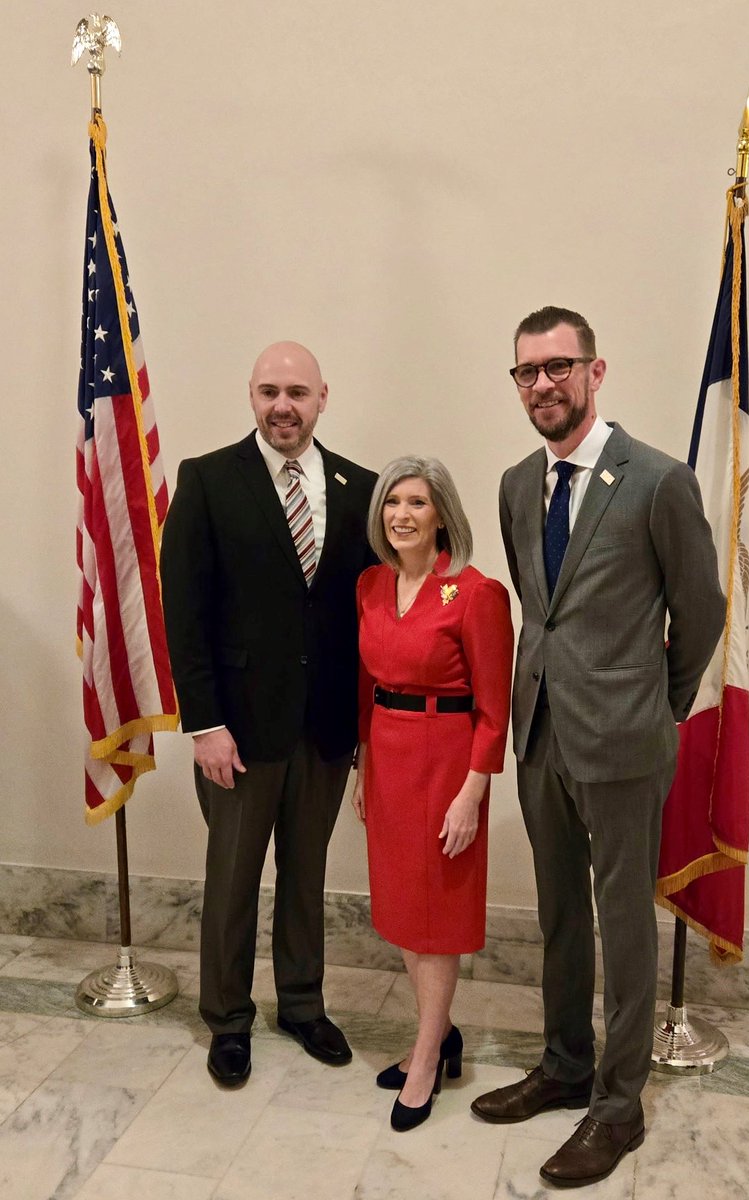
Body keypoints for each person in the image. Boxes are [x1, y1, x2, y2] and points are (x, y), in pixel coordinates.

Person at [471, 307, 725, 1187]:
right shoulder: (513, 483)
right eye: (526, 372)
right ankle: (563, 1065)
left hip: (624, 743)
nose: (542, 384)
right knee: (557, 916)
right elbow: (538, 610)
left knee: (622, 927)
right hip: (539, 735)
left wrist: (660, 705)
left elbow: (701, 611)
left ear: (594, 370)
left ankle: (617, 1108)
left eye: (558, 367)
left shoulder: (655, 480)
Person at [160, 341, 377, 1086]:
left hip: (323, 729)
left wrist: (366, 733)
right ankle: (226, 1017)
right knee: (231, 878)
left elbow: (366, 617)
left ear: (323, 397)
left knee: (306, 874)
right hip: (239, 731)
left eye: (296, 392)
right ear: (250, 397)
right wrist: (204, 724)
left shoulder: (362, 488)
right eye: (267, 392)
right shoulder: (209, 480)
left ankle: (302, 1004)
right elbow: (183, 615)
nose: (281, 406)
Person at [352, 456, 514, 1131]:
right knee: (400, 910)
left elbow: (494, 707)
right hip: (387, 760)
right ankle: (438, 1033)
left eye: (416, 502)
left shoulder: (475, 594)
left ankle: (425, 1058)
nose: (402, 515)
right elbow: (366, 686)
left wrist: (472, 793)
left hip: (446, 765)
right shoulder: (369, 584)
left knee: (435, 917)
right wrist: (362, 764)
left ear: (441, 513)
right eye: (393, 503)